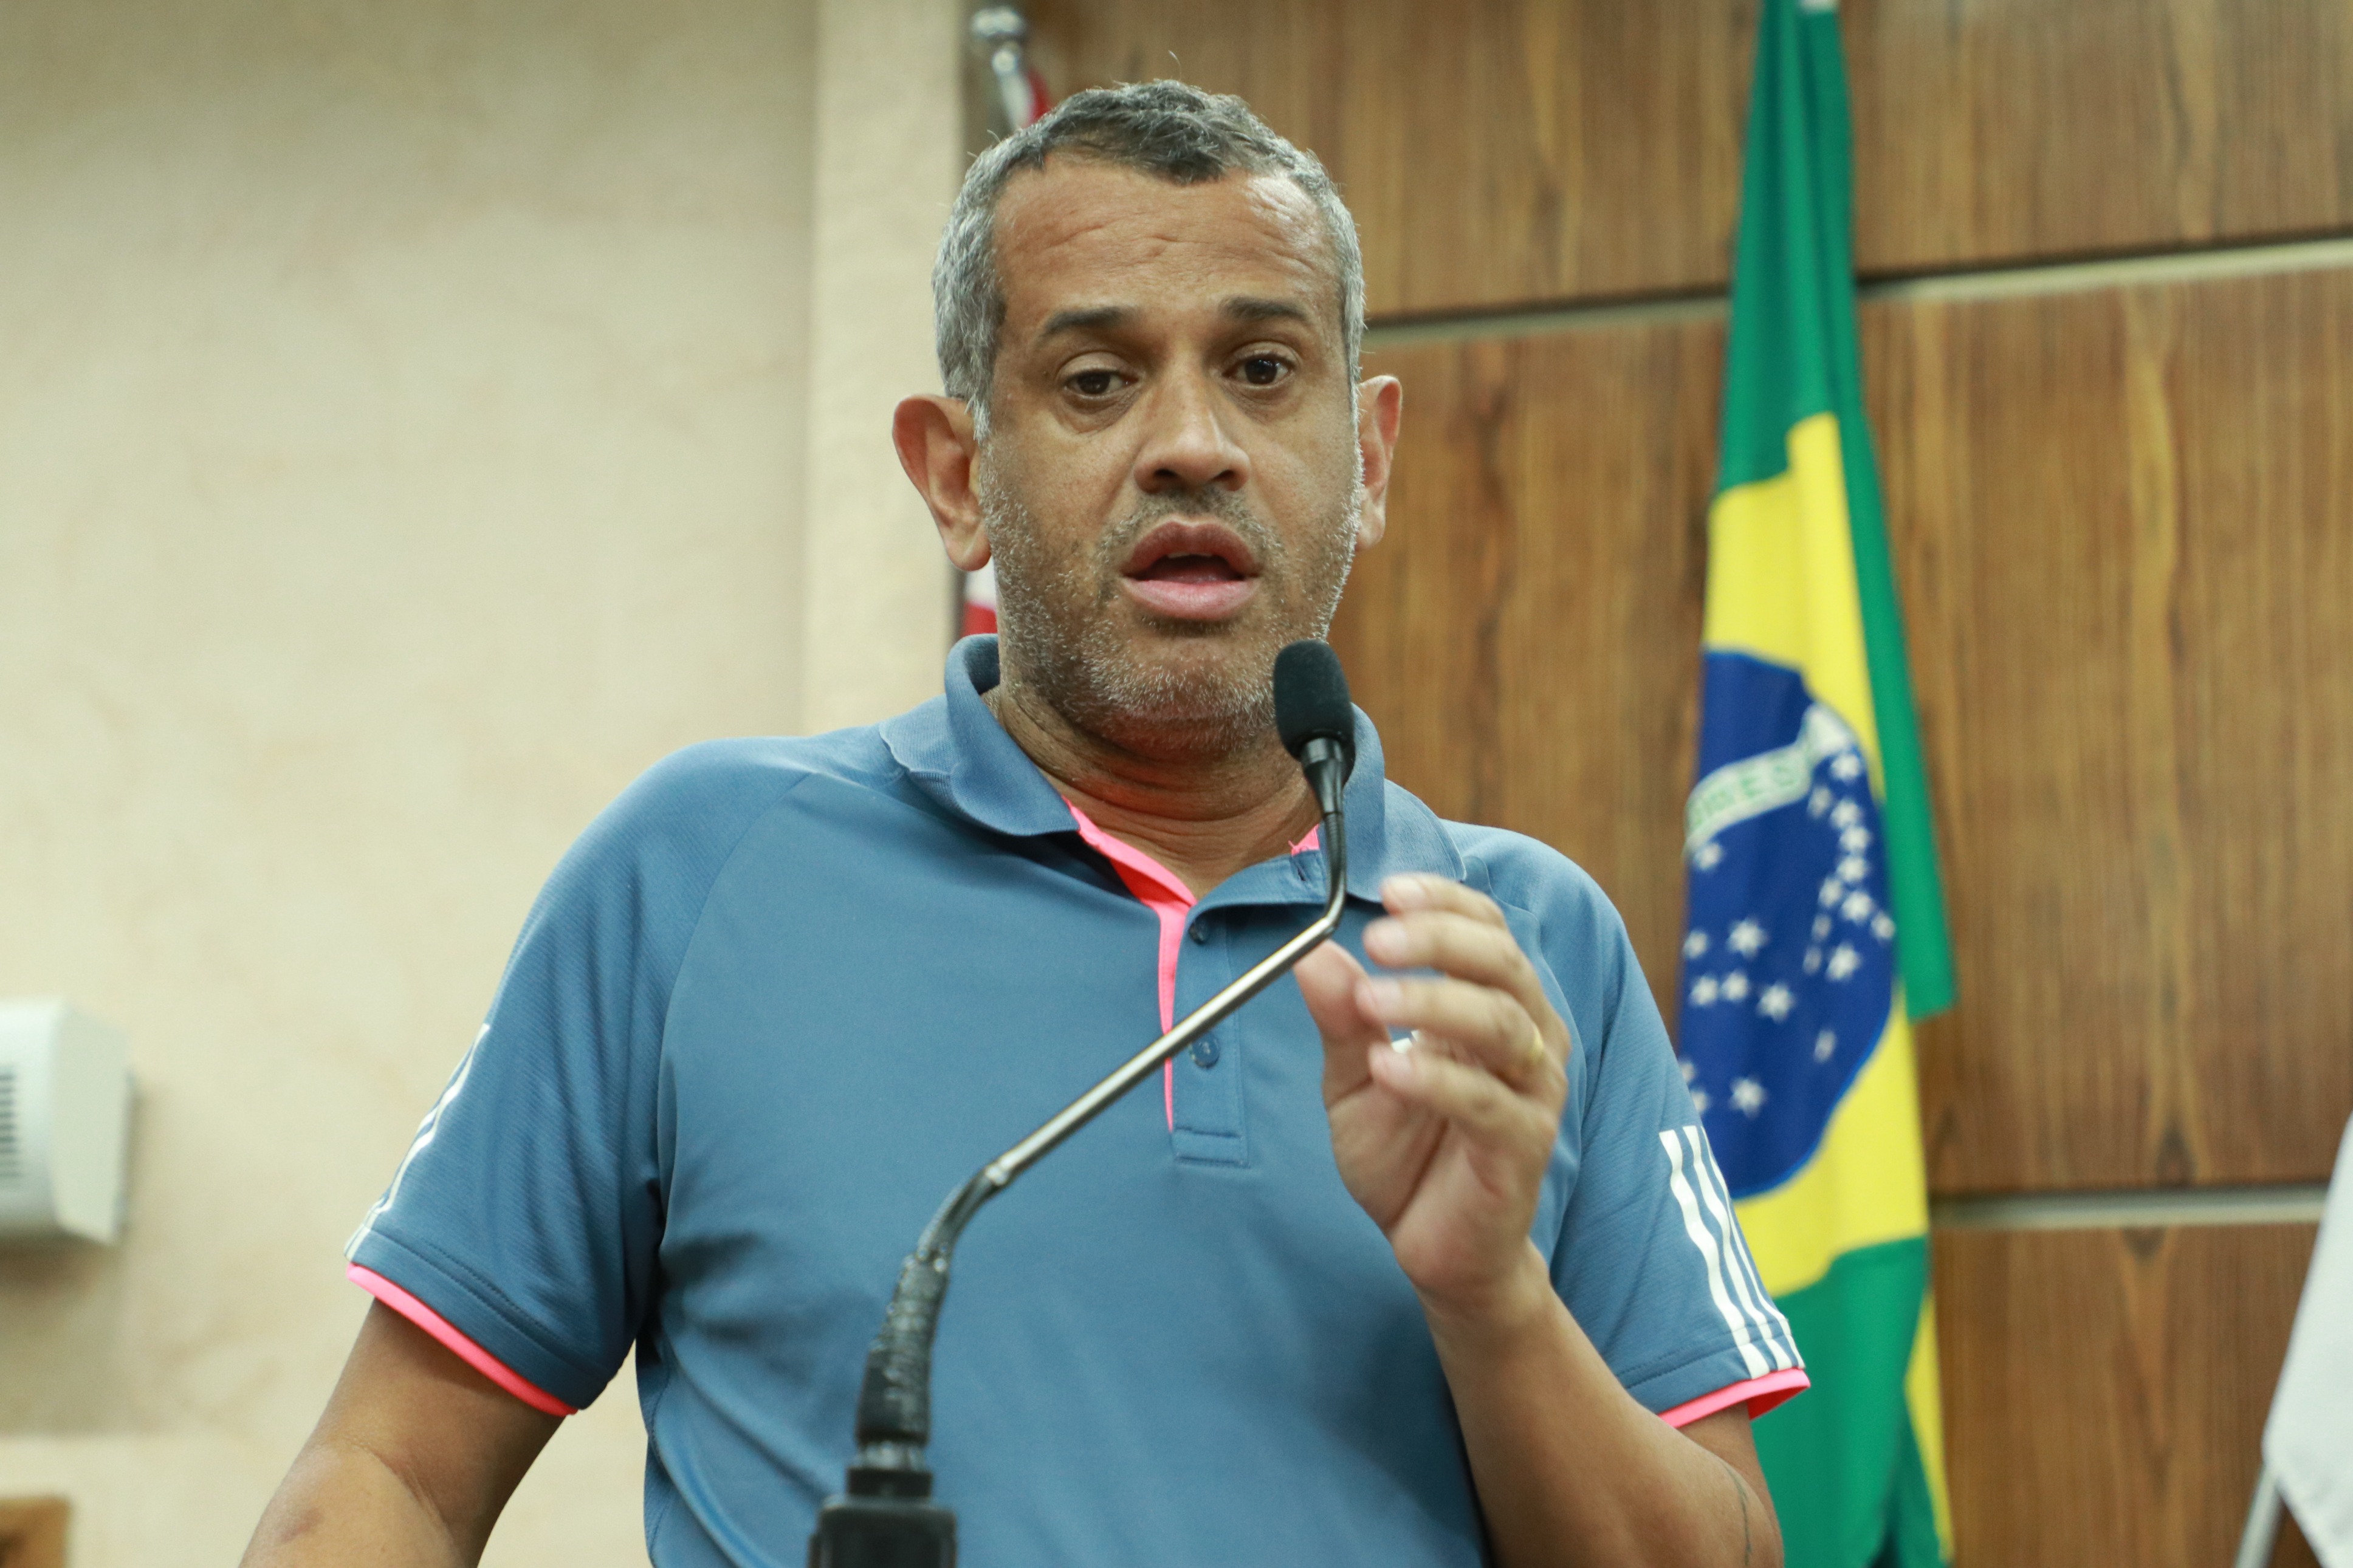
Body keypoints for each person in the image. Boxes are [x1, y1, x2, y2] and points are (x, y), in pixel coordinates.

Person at [244, 81, 1804, 1568]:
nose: (1192, 442)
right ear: (956, 478)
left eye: (1263, 370)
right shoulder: (696, 872)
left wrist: (1493, 1299)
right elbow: (391, 1474)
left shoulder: (1517, 949)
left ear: (1369, 456)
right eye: (1097, 380)